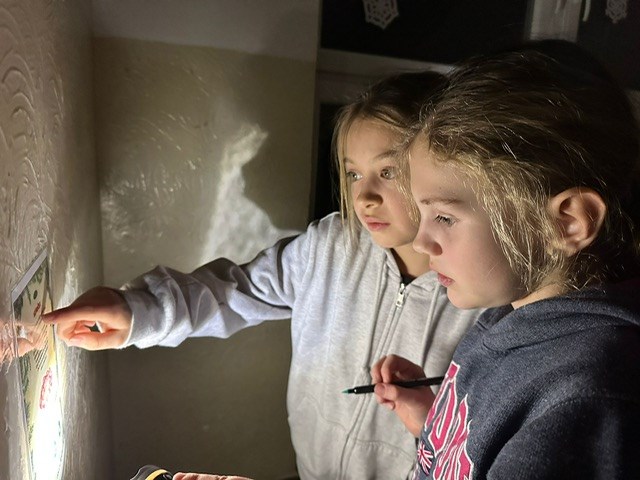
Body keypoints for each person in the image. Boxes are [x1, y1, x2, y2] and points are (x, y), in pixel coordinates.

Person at [44, 71, 480, 479]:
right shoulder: (330, 246)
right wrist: (135, 310)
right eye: (353, 173)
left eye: (387, 172)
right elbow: (235, 290)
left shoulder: (478, 295)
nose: (364, 196)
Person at [372, 42, 640, 479]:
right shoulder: (510, 315)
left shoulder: (585, 398)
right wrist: (431, 424)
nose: (421, 242)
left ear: (567, 222)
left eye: (444, 217)